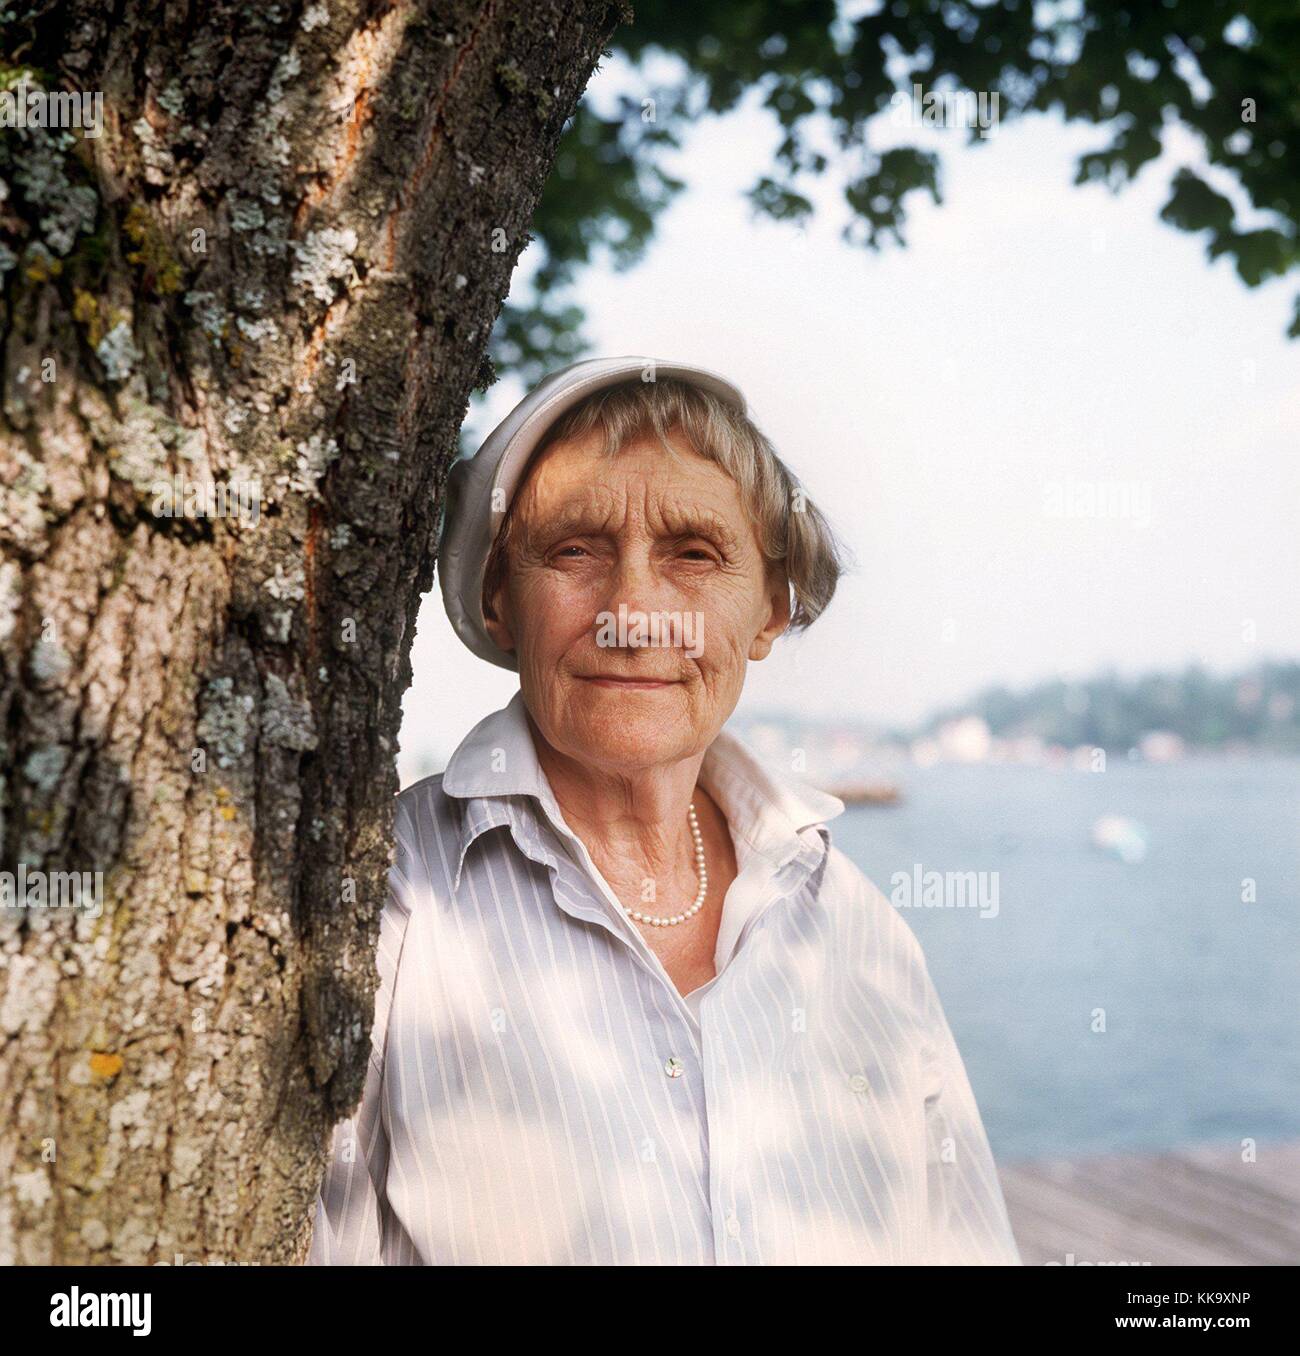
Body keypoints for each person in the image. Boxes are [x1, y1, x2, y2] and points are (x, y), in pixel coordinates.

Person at [307, 356, 1020, 1265]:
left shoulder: (854, 926)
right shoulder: (391, 903)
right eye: (574, 550)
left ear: (770, 610)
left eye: (693, 554)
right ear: (499, 600)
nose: (634, 612)